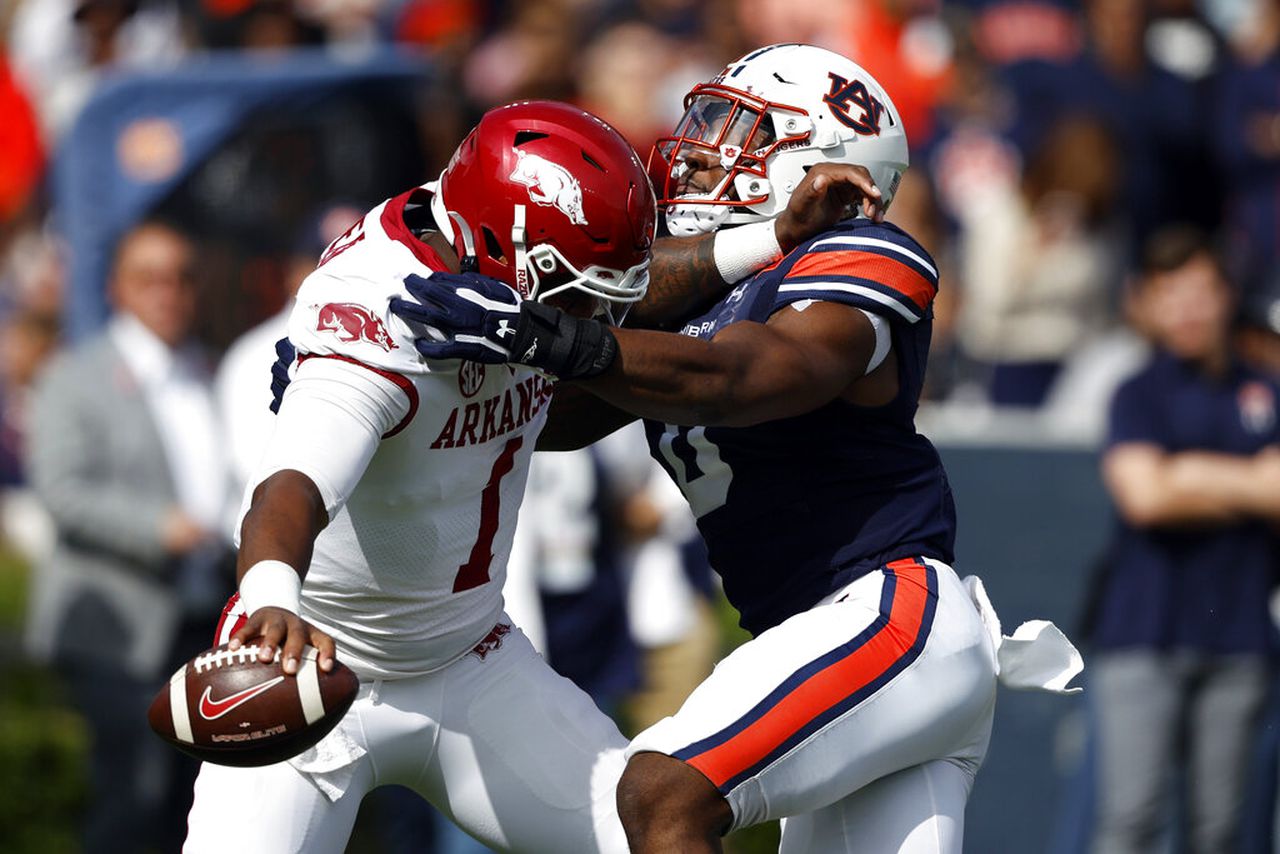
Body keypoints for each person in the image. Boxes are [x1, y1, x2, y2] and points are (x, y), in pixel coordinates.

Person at [395, 44, 1082, 854]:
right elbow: (560, 420)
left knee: (661, 792)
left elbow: (755, 374)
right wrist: (400, 382)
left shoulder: (866, 251)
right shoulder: (709, 287)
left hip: (886, 617)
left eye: (738, 127)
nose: (699, 145)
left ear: (819, 164)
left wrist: (564, 342)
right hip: (827, 641)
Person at [184, 99, 882, 853]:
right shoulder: (380, 317)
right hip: (317, 658)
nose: (597, 313)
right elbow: (290, 489)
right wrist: (270, 600)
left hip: (471, 659)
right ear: (512, 256)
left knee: (652, 828)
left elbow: (620, 289)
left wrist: (769, 239)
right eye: (581, 287)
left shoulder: (486, 248)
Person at [25, 220, 233, 853]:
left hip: (203, 616)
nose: (167, 292)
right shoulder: (77, 375)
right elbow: (62, 490)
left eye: (181, 278)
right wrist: (158, 526)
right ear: (117, 288)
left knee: (193, 811)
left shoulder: (207, 369)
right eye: (150, 278)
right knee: (133, 806)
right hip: (121, 625)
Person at [1089, 226, 1280, 854]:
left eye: (1201, 288)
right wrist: (1246, 482)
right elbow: (1144, 498)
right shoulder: (1136, 393)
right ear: (1147, 301)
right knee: (1131, 821)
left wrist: (1188, 472)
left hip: (1241, 637)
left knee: (1220, 830)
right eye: (1171, 291)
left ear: (1227, 295)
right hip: (1142, 632)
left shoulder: (1265, 391)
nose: (1189, 306)